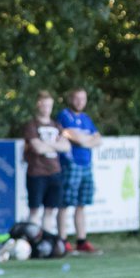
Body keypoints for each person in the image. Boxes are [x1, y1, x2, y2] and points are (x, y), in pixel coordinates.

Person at [57, 87, 103, 255]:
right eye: (77, 98)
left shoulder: (86, 118)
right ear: (71, 99)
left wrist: (85, 141)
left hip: (86, 165)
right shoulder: (64, 115)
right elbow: (70, 135)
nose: (80, 102)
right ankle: (62, 241)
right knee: (65, 204)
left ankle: (81, 240)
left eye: (83, 99)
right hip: (71, 164)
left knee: (81, 204)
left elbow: (97, 138)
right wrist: (85, 140)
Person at [21, 90, 70, 233]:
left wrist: (46, 144)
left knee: (50, 210)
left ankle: (47, 239)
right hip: (36, 172)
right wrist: (55, 144)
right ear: (38, 105)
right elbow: (38, 148)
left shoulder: (56, 125)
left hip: (55, 172)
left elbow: (66, 146)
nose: (47, 108)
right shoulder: (32, 125)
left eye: (49, 105)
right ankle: (32, 239)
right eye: (44, 105)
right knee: (35, 210)